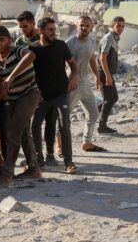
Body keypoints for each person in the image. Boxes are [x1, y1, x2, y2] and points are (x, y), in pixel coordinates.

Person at [0, 26, 41, 186]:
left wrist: (10, 78)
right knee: (23, 132)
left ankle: (7, 174)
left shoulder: (18, 51)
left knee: (13, 133)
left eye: (1, 39)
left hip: (30, 93)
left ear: (9, 41)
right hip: (12, 99)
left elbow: (31, 56)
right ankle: (34, 168)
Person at [29, 18, 78, 173]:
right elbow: (31, 74)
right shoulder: (33, 50)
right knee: (35, 126)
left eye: (54, 29)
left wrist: (74, 76)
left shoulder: (61, 46)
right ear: (41, 30)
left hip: (60, 93)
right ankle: (39, 160)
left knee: (64, 126)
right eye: (50, 29)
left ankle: (68, 162)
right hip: (42, 96)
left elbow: (72, 64)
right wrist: (37, 91)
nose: (53, 32)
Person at [15, 11, 60, 164]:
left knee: (50, 121)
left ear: (34, 24)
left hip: (48, 87)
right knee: (28, 124)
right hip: (28, 87)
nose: (23, 30)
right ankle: (33, 155)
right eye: (21, 27)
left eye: (25, 26)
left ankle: (50, 154)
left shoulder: (45, 38)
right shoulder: (20, 41)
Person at [66, 16, 106, 152]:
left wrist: (97, 77)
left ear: (92, 27)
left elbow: (92, 60)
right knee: (65, 116)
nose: (84, 28)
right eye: (81, 25)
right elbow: (60, 64)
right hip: (72, 84)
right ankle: (60, 146)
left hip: (85, 83)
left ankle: (87, 142)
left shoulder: (91, 42)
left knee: (94, 113)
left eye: (87, 26)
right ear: (77, 26)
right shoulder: (69, 43)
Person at [97, 16, 125, 134]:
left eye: (123, 26)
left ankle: (93, 112)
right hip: (104, 73)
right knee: (109, 99)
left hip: (108, 73)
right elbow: (102, 57)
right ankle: (102, 127)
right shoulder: (109, 38)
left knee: (113, 98)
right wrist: (107, 76)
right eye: (118, 25)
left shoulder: (115, 38)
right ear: (112, 26)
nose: (121, 28)